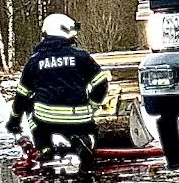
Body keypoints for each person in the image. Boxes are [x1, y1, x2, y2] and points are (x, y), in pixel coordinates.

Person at [7, 13, 108, 153]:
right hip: (79, 117)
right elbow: (101, 83)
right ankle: (85, 142)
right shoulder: (81, 56)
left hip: (47, 120)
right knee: (87, 133)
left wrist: (14, 121)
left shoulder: (35, 61)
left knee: (29, 103)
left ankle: (44, 147)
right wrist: (92, 105)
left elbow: (21, 96)